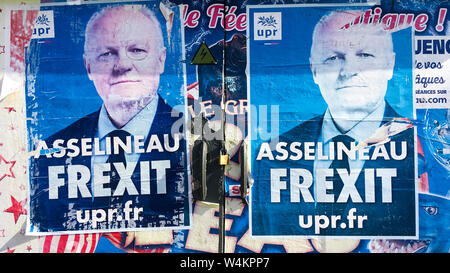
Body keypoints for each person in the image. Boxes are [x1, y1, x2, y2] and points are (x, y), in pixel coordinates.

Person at [252, 10, 416, 236]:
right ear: (314, 70)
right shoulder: (271, 157)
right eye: (333, 58)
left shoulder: (420, 150)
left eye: (365, 55)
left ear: (389, 65)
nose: (349, 71)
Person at [29, 5, 188, 232]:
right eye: (107, 53)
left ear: (161, 60)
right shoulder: (50, 154)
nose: (122, 65)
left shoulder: (191, 139)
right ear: (88, 66)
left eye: (137, 50)